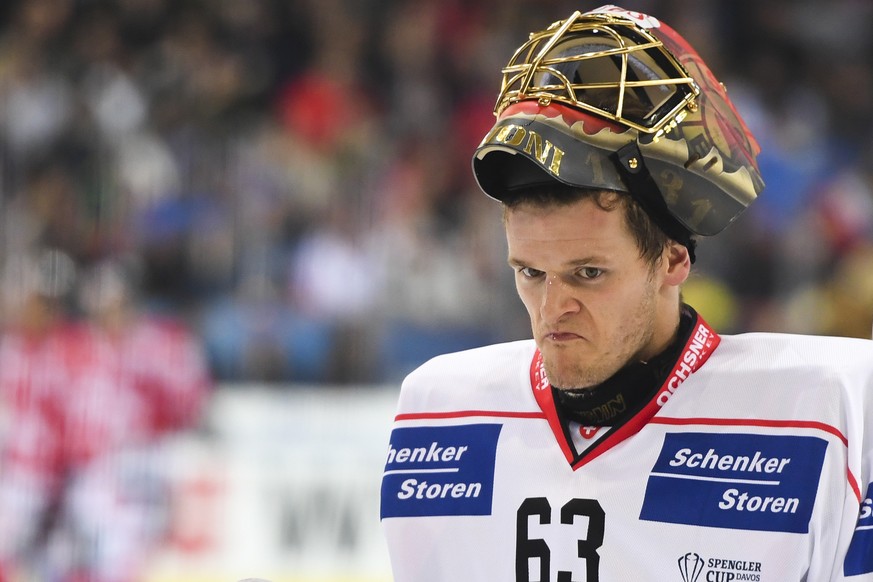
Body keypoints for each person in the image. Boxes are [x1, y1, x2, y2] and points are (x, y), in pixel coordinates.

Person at [379, 5, 873, 581]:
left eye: (588, 273)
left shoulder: (829, 408)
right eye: (530, 273)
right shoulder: (438, 417)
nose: (551, 310)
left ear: (672, 259)